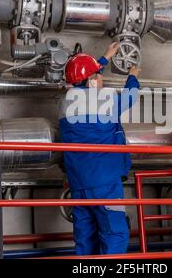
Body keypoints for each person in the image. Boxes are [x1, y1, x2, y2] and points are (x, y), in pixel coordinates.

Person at [59, 42, 141, 255]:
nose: (101, 79)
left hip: (79, 184)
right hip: (105, 182)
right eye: (97, 75)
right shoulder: (105, 99)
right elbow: (131, 96)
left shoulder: (65, 103)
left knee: (85, 237)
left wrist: (105, 58)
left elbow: (86, 82)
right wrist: (132, 75)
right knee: (115, 233)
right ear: (91, 80)